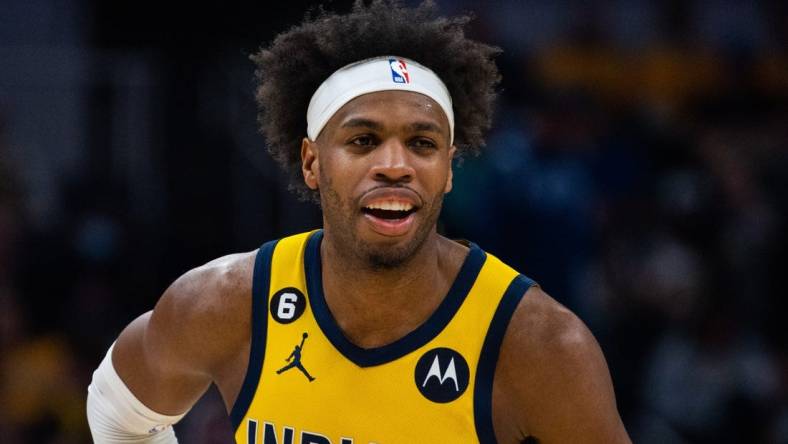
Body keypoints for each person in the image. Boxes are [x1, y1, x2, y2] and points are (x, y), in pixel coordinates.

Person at [86, 1, 631, 443]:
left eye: (421, 143)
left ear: (447, 169)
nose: (394, 166)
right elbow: (116, 413)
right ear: (311, 162)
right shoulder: (225, 303)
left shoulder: (539, 347)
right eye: (363, 140)